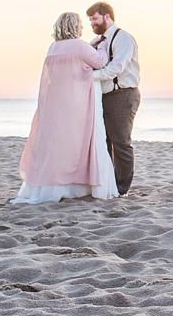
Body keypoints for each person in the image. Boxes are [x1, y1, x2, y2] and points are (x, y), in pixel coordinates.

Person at [11, 12, 118, 204]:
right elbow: (101, 61)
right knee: (77, 143)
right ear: (74, 26)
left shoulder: (53, 48)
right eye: (79, 25)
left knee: (57, 145)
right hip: (75, 104)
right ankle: (77, 185)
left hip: (55, 104)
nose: (82, 28)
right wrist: (101, 46)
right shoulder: (78, 45)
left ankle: (54, 184)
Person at [87, 1, 140, 196]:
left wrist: (88, 77)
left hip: (123, 94)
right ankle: (110, 186)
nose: (92, 23)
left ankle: (122, 189)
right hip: (105, 95)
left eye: (94, 19)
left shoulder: (123, 38)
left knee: (121, 142)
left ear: (106, 16)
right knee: (105, 141)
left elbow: (116, 68)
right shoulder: (100, 41)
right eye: (90, 20)